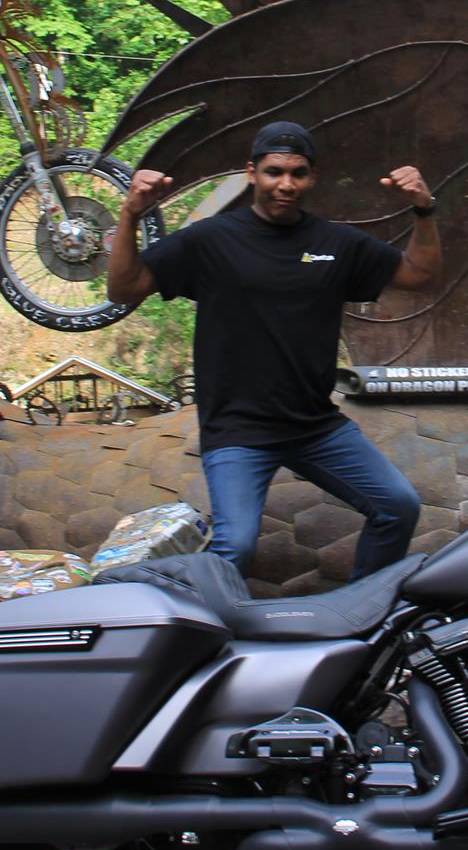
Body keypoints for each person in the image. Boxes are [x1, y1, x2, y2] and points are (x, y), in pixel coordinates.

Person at [106, 120, 442, 581]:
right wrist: (130, 214)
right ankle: (171, 606)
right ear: (252, 173)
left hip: (315, 426)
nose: (286, 184)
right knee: (236, 547)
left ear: (312, 178)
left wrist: (424, 209)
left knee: (398, 506)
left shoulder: (335, 243)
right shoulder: (210, 239)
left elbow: (420, 275)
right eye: (274, 172)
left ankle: (365, 607)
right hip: (237, 430)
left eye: (298, 173)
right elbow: (124, 289)